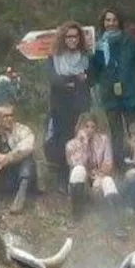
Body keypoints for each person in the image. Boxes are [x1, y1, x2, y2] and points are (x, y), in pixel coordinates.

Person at [88, 8, 135, 165]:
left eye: (114, 20)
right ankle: (120, 164)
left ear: (120, 22)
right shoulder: (98, 44)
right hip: (109, 93)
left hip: (130, 92)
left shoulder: (130, 42)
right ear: (103, 23)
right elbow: (94, 70)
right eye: (107, 20)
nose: (111, 23)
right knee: (116, 132)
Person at [44, 21, 91, 192]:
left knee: (82, 140)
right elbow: (53, 79)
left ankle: (82, 179)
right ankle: (62, 179)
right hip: (60, 107)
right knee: (62, 142)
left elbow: (90, 79)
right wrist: (71, 80)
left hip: (81, 106)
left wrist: (82, 79)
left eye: (75, 36)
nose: (72, 39)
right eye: (69, 36)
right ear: (63, 38)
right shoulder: (54, 57)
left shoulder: (85, 57)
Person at [65, 111, 117, 221]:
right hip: (82, 185)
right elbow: (77, 163)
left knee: (108, 180)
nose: (90, 130)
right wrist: (84, 143)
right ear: (79, 127)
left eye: (93, 127)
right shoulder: (71, 145)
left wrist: (99, 175)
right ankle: (76, 214)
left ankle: (114, 222)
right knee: (78, 170)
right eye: (86, 126)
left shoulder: (103, 140)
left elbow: (108, 162)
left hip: (97, 179)